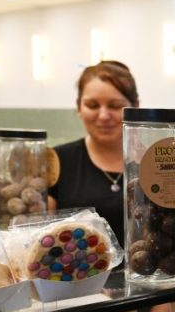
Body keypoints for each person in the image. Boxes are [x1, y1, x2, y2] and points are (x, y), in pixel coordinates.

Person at [48, 60, 138, 246]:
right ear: (79, 107)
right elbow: (41, 238)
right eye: (92, 105)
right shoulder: (56, 162)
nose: (104, 115)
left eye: (115, 105)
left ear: (135, 107)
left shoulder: (158, 163)